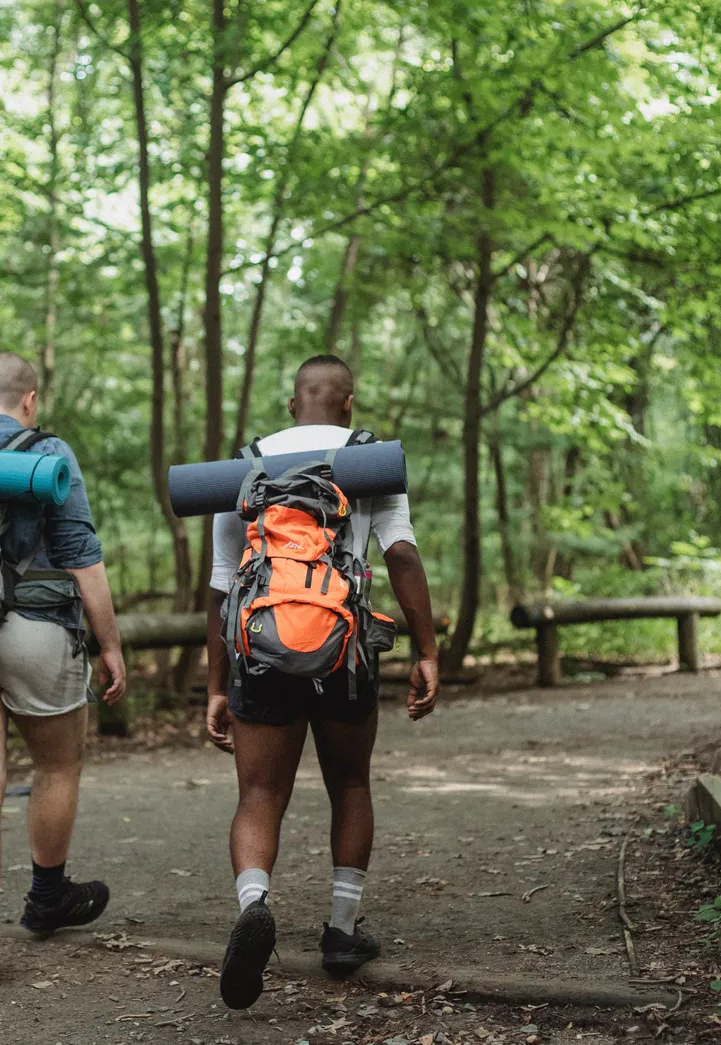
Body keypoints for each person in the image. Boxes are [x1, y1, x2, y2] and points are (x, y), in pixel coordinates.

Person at [205, 354, 440, 1010]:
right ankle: (340, 929)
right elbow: (400, 553)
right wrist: (427, 650)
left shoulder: (244, 466)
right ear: (349, 404)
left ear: (292, 404)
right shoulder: (371, 461)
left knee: (258, 793)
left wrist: (215, 685)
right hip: (346, 650)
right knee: (351, 784)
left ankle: (254, 902)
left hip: (260, 649)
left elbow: (224, 583)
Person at [0, 352, 126, 987]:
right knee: (57, 765)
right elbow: (80, 553)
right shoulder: (48, 451)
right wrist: (110, 644)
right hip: (36, 632)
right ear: (29, 401)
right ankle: (46, 897)